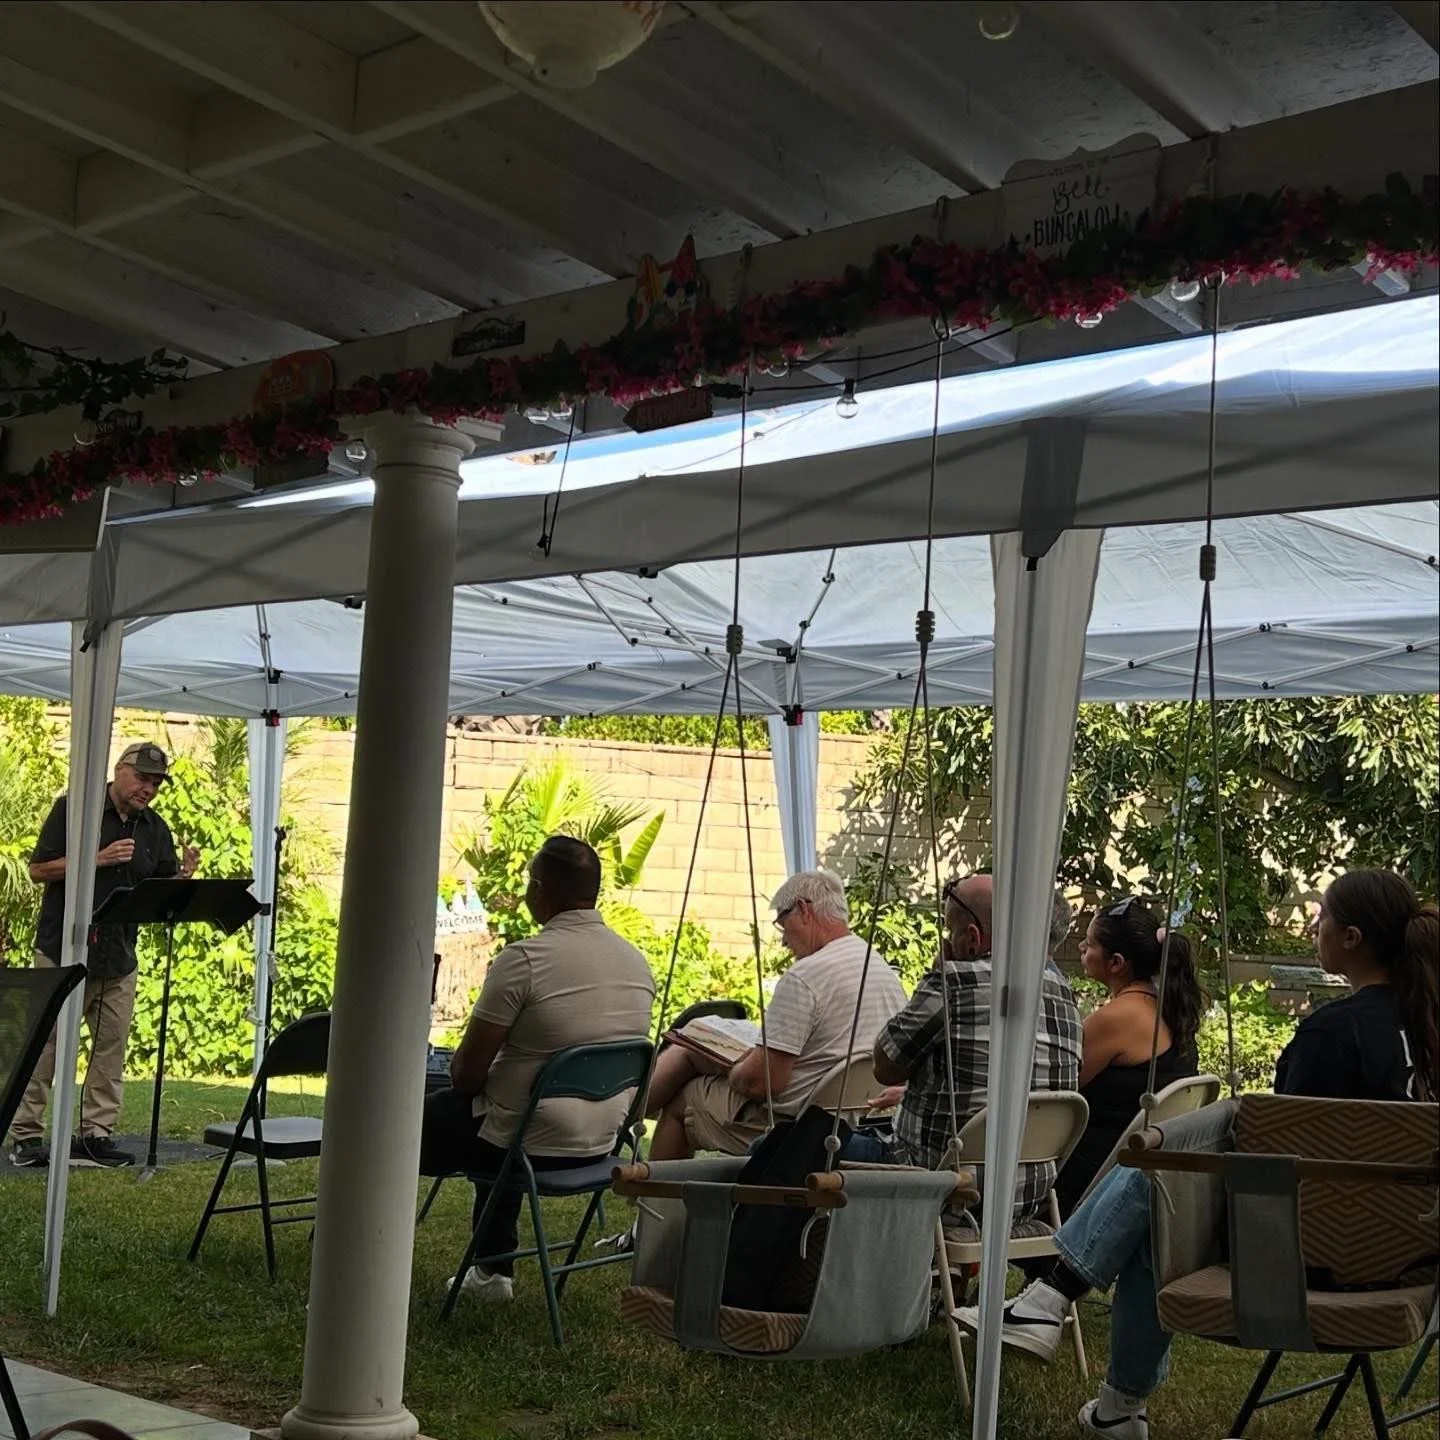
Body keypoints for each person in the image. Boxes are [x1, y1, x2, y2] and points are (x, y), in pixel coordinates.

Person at [956, 867, 1440, 1440]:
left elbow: (1276, 1148)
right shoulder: (1428, 1027)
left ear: (1352, 938)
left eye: (1324, 917)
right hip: (1409, 1257)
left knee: (1159, 1188)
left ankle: (1056, 1301)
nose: (1315, 926)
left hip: (1309, 1258)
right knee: (1160, 1187)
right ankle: (1109, 1403)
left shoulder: (1333, 1034)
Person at [419, 835, 654, 1302]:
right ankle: (492, 1269)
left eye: (530, 883)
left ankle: (363, 1254)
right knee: (506, 1108)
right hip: (600, 1143)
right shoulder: (636, 963)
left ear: (543, 891)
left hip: (523, 1143)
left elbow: (466, 1074)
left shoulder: (524, 960)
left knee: (391, 1131)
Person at [9, 742, 198, 1170]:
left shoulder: (155, 828)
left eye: (155, 783)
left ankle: (96, 1134)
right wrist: (94, 860)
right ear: (119, 770)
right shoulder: (74, 809)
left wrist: (184, 876)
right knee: (46, 1047)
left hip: (119, 958)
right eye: (142, 778)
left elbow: (160, 884)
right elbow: (38, 869)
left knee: (110, 1049)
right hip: (64, 952)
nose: (148, 789)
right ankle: (26, 1136)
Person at [645, 868, 906, 1161]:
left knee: (686, 1097)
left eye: (782, 924)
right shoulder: (879, 966)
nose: (783, 941)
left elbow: (762, 1084)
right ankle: (627, 1121)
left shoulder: (806, 976)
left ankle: (653, 1195)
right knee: (692, 1057)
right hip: (855, 1120)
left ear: (804, 910)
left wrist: (733, 1066)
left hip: (790, 1127)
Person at [871, 876, 1082, 1227]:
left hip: (940, 1186)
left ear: (972, 938)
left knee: (808, 1149)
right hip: (1027, 1195)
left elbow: (884, 1067)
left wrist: (937, 973)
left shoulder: (952, 982)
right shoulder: (1065, 995)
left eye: (950, 930)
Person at [1053, 895, 1203, 1218]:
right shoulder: (1172, 1011)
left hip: (1091, 1183)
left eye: (1089, 943)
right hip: (1143, 1176)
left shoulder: (1117, 1018)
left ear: (1116, 962)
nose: (1081, 948)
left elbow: (1057, 1092)